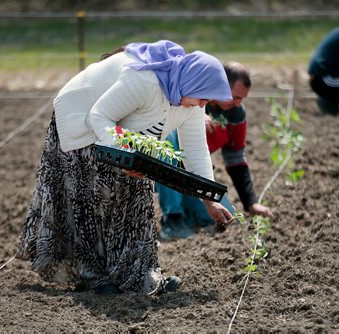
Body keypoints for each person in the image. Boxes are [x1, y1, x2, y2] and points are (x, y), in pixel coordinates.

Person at [17, 40, 234, 295]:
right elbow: (98, 116)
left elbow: (196, 150)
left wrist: (208, 199)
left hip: (120, 128)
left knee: (139, 195)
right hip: (81, 114)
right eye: (202, 97)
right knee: (92, 196)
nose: (201, 105)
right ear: (192, 82)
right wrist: (122, 155)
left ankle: (140, 275)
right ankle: (94, 277)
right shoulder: (145, 82)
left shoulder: (191, 101)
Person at [156, 62, 274, 240]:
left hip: (192, 176)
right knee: (170, 140)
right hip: (162, 169)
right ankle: (172, 218)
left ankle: (188, 212)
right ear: (222, 85)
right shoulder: (196, 98)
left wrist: (251, 203)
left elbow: (235, 160)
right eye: (234, 97)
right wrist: (195, 117)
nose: (237, 104)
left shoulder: (236, 114)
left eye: (242, 99)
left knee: (225, 219)